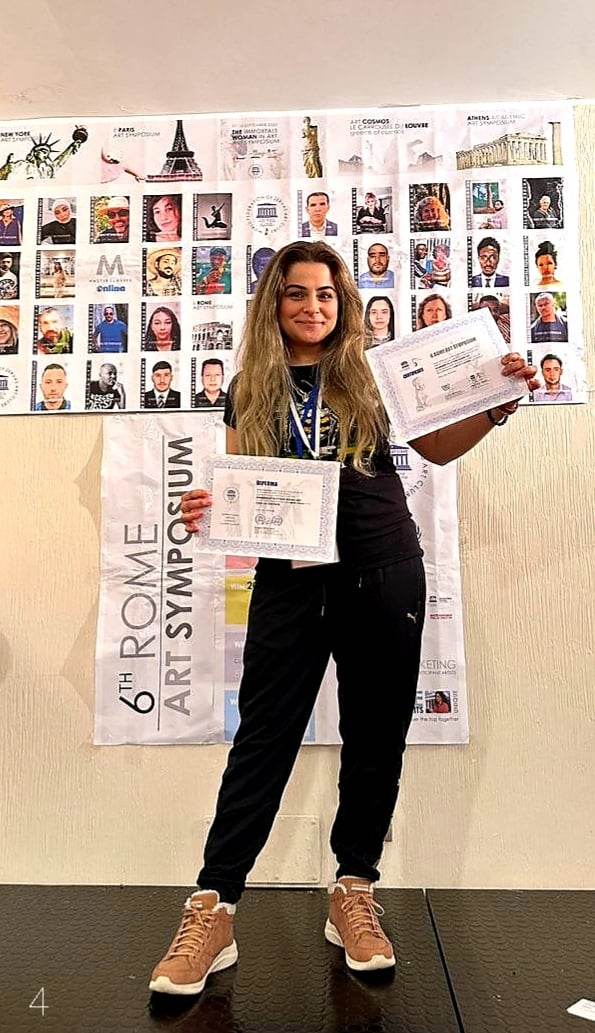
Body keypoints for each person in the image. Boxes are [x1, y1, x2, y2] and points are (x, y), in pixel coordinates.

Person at [149, 240, 537, 996]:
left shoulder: (374, 371)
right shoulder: (248, 386)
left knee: (375, 736)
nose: (312, 306)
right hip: (290, 581)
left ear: (342, 302)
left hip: (383, 568)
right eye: (296, 293)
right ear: (274, 303)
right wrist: (208, 506)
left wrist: (494, 406)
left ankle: (353, 888)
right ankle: (214, 906)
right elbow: (240, 485)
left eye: (325, 294)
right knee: (262, 740)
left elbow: (436, 447)